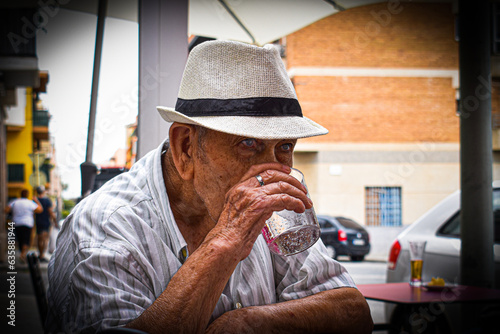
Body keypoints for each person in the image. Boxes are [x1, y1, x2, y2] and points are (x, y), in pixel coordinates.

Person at [47, 40, 373, 333]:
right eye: (248, 143)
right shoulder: (104, 228)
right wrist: (225, 241)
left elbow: (354, 313)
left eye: (285, 146)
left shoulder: (274, 217)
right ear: (186, 147)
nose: (274, 169)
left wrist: (252, 321)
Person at [4, 189, 43, 263]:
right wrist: (36, 201)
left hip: (17, 223)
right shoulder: (30, 203)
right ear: (27, 195)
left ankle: (22, 253)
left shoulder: (15, 202)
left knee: (20, 239)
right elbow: (40, 210)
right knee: (26, 239)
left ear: (20, 194)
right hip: (27, 223)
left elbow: (6, 210)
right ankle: (23, 254)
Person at [34, 186, 57, 262]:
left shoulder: (35, 200)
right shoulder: (47, 200)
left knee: (39, 238)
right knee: (44, 239)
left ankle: (40, 254)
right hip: (45, 221)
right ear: (43, 191)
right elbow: (50, 212)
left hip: (37, 221)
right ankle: (41, 255)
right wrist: (55, 221)